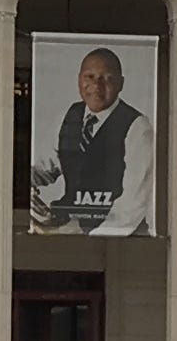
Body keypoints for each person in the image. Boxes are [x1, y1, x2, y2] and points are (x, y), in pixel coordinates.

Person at [31, 47, 152, 235]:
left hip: (117, 240)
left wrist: (88, 236)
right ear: (79, 80)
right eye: (89, 77)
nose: (96, 86)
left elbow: (133, 206)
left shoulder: (138, 127)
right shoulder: (69, 116)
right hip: (69, 229)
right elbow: (43, 168)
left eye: (107, 79)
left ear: (121, 84)